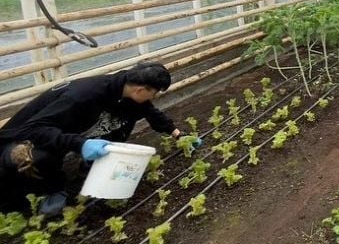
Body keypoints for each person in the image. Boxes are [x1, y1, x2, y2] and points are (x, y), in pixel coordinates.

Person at [0, 62, 199, 216]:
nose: (151, 99)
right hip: (21, 140)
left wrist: (178, 134)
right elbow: (34, 129)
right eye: (152, 94)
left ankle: (86, 165)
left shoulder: (125, 90)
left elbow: (151, 113)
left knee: (116, 125)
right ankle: (50, 190)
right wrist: (81, 143)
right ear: (141, 89)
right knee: (37, 158)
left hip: (61, 133)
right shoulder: (83, 95)